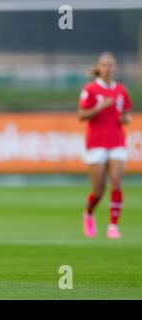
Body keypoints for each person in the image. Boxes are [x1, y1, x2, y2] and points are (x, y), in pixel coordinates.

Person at [78, 52, 132, 239]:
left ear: (114, 67)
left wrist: (126, 119)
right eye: (104, 65)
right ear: (99, 68)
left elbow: (125, 113)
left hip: (117, 140)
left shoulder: (121, 90)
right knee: (98, 190)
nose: (107, 68)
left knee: (116, 183)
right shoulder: (91, 89)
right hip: (96, 142)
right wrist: (100, 107)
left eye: (110, 65)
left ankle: (113, 226)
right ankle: (89, 213)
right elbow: (81, 115)